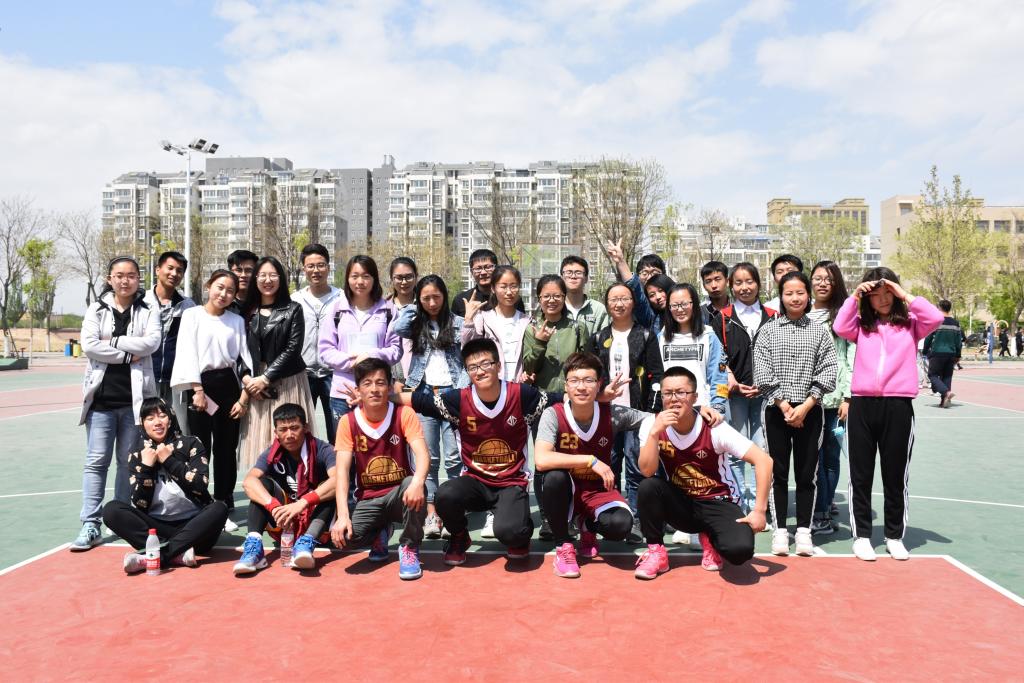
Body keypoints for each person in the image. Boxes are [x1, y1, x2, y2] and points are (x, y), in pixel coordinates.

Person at [394, 338, 564, 563]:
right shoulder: (459, 399)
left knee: (512, 534)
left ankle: (520, 532)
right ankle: (459, 536)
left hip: (511, 481)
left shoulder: (521, 395)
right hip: (475, 481)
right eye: (473, 367)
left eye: (486, 364)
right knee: (445, 495)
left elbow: (557, 399)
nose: (480, 371)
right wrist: (377, 397)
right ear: (467, 372)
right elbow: (420, 401)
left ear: (498, 366)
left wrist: (598, 396)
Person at [833, 267, 943, 561]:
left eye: (888, 293)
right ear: (867, 299)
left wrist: (904, 294)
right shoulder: (860, 327)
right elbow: (840, 326)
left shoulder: (911, 325)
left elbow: (936, 318)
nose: (882, 299)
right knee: (860, 476)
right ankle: (862, 537)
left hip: (898, 407)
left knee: (895, 476)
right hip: (862, 406)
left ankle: (894, 536)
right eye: (876, 295)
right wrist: (855, 297)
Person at [634, 367, 772, 580]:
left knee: (740, 551)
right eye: (668, 393)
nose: (674, 399)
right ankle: (656, 552)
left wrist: (759, 511)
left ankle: (711, 539)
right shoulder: (652, 425)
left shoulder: (714, 426)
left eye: (681, 392)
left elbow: (764, 460)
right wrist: (654, 434)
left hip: (718, 502)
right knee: (648, 487)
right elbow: (647, 470)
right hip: (683, 504)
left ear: (695, 397)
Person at [72, 256, 162, 551]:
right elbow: (89, 345)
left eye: (131, 275)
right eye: (119, 275)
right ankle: (90, 523)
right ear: (110, 279)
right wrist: (125, 353)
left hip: (134, 402)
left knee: (127, 463)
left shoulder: (148, 310)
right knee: (96, 462)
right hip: (101, 402)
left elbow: (151, 343)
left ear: (139, 278)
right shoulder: (96, 309)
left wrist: (111, 342)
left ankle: (119, 518)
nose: (125, 280)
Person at [534, 352, 650, 578]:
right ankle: (563, 546)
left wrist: (697, 411)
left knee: (621, 525)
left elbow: (652, 418)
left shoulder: (613, 414)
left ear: (599, 385)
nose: (581, 387)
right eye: (574, 380)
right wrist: (590, 460)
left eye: (588, 380)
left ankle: (587, 524)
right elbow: (541, 459)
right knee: (554, 477)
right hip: (565, 491)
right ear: (566, 385)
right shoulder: (553, 414)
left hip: (596, 490)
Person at [754, 271, 837, 556]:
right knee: (778, 473)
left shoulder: (819, 331)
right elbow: (762, 370)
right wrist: (783, 404)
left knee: (806, 474)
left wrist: (805, 405)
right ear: (781, 296)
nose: (795, 298)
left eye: (800, 292)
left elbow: (828, 370)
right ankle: (780, 531)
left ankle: (803, 531)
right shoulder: (768, 330)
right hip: (776, 411)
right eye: (789, 293)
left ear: (808, 295)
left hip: (810, 411)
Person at [103, 397, 229, 572]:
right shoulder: (138, 453)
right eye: (150, 418)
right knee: (111, 510)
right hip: (157, 530)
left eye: (162, 416)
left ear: (170, 419)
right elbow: (140, 503)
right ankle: (176, 553)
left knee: (219, 508)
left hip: (195, 528)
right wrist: (146, 467)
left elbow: (200, 485)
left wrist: (169, 461)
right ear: (142, 423)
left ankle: (159, 556)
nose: (157, 422)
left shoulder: (191, 443)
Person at [331, 359, 430, 580]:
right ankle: (380, 532)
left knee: (413, 484)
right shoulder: (348, 422)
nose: (374, 389)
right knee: (343, 538)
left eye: (380, 382)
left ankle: (409, 547)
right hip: (369, 498)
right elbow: (342, 473)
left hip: (400, 495)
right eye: (367, 383)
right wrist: (343, 516)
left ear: (390, 386)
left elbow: (423, 454)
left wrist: (418, 482)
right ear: (358, 390)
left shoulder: (404, 414)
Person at [171, 269, 253, 528]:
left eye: (230, 290)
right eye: (220, 287)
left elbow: (244, 359)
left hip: (228, 386)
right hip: (200, 386)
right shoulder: (192, 315)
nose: (224, 294)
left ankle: (223, 500)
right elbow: (187, 352)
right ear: (208, 286)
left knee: (227, 448)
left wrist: (243, 398)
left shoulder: (236, 321)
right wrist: (197, 391)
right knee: (200, 447)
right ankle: (201, 500)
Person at [587, 282, 665, 542]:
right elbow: (588, 374)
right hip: (605, 413)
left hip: (637, 413)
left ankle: (636, 519)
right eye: (613, 299)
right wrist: (599, 396)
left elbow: (657, 375)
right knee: (608, 464)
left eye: (624, 298)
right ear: (607, 304)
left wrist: (651, 412)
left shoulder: (646, 335)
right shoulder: (597, 338)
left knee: (635, 467)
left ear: (633, 302)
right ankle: (609, 514)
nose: (619, 304)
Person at [393, 275, 469, 539]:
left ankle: (453, 513)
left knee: (454, 457)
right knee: (428, 458)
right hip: (424, 394)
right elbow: (397, 328)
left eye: (436, 296)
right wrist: (411, 307)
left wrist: (460, 392)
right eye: (425, 298)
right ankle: (432, 514)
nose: (432, 302)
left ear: (445, 296)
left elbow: (467, 357)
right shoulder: (416, 323)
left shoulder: (459, 323)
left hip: (452, 395)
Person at [233, 404, 338, 575]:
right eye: (283, 430)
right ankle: (254, 547)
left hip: (315, 518)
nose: (289, 435)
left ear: (306, 427)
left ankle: (306, 544)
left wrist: (303, 502)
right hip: (284, 520)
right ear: (276, 433)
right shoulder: (272, 453)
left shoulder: (323, 450)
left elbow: (338, 481)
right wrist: (273, 506)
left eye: (294, 428)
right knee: (261, 485)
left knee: (329, 488)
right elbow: (248, 482)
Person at [522, 274, 588, 539]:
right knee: (545, 461)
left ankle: (573, 517)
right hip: (542, 402)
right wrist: (539, 342)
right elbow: (529, 366)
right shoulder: (531, 328)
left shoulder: (577, 327)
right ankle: (548, 518)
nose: (552, 300)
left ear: (564, 297)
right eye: (546, 296)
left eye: (557, 296)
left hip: (573, 401)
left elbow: (586, 362)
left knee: (573, 459)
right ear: (538, 298)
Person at [710, 262, 777, 516]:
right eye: (738, 282)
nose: (744, 287)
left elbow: (778, 355)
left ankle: (762, 507)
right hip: (734, 396)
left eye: (750, 281)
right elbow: (718, 357)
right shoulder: (722, 318)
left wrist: (765, 383)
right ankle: (739, 505)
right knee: (736, 451)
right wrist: (730, 378)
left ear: (759, 284)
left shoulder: (773, 316)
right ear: (731, 286)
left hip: (765, 396)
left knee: (762, 450)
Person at [238, 256, 316, 472]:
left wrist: (266, 378)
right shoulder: (247, 312)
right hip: (255, 382)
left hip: (287, 380)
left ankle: (297, 481)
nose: (267, 280)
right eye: (262, 275)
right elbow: (238, 350)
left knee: (290, 433)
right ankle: (265, 483)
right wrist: (247, 378)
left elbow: (293, 349)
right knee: (261, 436)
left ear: (281, 279)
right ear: (255, 279)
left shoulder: (293, 309)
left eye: (273, 275)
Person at [318, 254, 402, 423]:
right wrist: (352, 362)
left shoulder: (388, 310)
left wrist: (371, 356)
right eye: (354, 276)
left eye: (366, 276)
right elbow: (325, 350)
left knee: (379, 438)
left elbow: (396, 349)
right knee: (343, 439)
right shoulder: (336, 310)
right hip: (343, 392)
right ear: (347, 279)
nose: (360, 282)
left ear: (374, 279)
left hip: (377, 391)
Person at [808, 261, 855, 536]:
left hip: (836, 401)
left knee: (830, 457)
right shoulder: (802, 312)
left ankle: (823, 513)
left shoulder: (844, 315)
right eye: (817, 278)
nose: (822, 283)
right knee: (811, 459)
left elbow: (851, 357)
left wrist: (848, 397)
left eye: (828, 278)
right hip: (807, 399)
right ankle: (818, 508)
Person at [292, 243, 341, 439]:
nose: (316, 270)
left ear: (328, 267)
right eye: (310, 266)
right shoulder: (295, 299)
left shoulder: (342, 298)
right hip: (303, 374)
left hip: (334, 374)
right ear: (304, 269)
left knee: (337, 431)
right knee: (301, 432)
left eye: (320, 265)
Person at [143, 251, 195, 430]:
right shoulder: (141, 301)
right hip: (147, 376)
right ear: (158, 270)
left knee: (180, 428)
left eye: (179, 271)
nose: (174, 274)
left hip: (177, 380)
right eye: (170, 268)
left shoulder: (188, 306)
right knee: (148, 427)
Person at [461, 265, 530, 384]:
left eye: (514, 286)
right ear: (493, 288)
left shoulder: (527, 321)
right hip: (491, 385)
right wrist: (468, 320)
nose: (509, 292)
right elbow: (468, 350)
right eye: (503, 286)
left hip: (518, 386)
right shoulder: (483, 318)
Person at [603, 239, 666, 331]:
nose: (649, 277)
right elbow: (635, 288)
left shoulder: (676, 295)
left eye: (655, 272)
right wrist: (620, 261)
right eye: (644, 273)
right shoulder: (640, 304)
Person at [451, 248, 525, 317]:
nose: (483, 272)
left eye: (488, 267)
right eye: (478, 269)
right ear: (471, 272)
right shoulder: (461, 300)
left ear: (496, 268)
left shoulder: (510, 298)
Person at [922, 299, 962, 408]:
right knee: (947, 376)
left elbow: (928, 337)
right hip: (951, 354)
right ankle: (944, 401)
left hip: (937, 352)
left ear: (939, 308)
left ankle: (946, 393)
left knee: (932, 375)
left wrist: (925, 351)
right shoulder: (955, 323)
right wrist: (958, 355)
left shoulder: (936, 321)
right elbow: (958, 341)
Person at [386, 256, 418, 390]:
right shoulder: (384, 309)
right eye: (399, 278)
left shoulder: (426, 307)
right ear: (391, 279)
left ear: (416, 277)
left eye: (409, 277)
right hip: (392, 378)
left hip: (422, 377)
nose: (404, 282)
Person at [560, 255, 609, 338]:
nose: (573, 276)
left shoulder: (598, 309)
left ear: (586, 278)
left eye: (578, 273)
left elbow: (604, 340)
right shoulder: (555, 307)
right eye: (569, 272)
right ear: (561, 277)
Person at [226, 249, 258, 315]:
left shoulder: (263, 303)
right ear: (230, 272)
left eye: (249, 270)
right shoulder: (223, 304)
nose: (243, 275)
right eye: (238, 270)